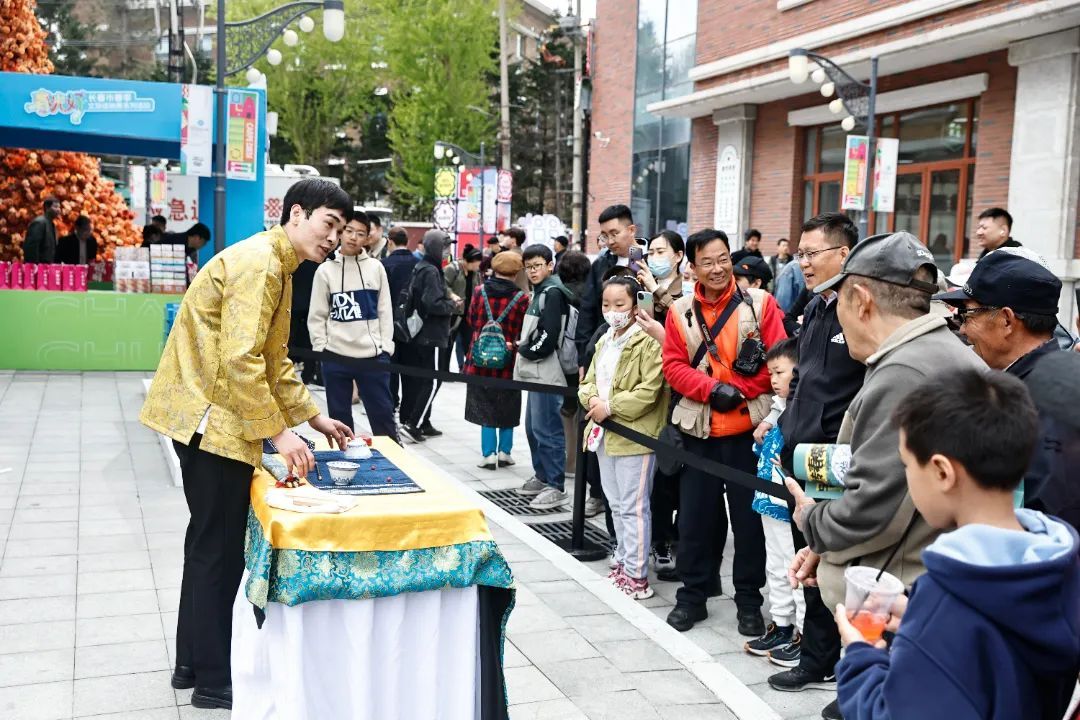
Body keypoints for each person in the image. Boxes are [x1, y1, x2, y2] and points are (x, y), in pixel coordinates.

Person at [139, 178, 353, 710]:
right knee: (218, 551)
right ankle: (214, 680)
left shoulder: (278, 264)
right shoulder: (262, 263)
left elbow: (274, 358)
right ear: (296, 212)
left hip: (208, 418)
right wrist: (278, 432)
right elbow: (241, 360)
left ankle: (192, 664)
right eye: (329, 224)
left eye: (342, 231)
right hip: (209, 422)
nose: (333, 238)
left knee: (206, 545)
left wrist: (312, 417)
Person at [784, 231, 986, 719]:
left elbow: (874, 509)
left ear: (862, 299)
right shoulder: (940, 351)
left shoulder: (906, 373)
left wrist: (812, 521)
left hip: (900, 603)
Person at [834, 370, 1080, 720]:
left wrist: (859, 657)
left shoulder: (950, 599)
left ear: (942, 472)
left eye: (907, 465)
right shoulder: (1057, 565)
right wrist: (918, 620)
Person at [661, 228, 787, 634]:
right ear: (691, 266)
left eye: (722, 260)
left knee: (749, 524)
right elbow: (673, 366)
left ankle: (749, 601)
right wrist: (713, 390)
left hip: (750, 434)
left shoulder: (761, 304)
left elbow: (780, 364)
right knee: (695, 521)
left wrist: (742, 392)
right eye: (707, 262)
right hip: (699, 431)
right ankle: (692, 597)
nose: (717, 269)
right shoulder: (679, 311)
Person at [765, 213, 864, 702]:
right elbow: (803, 376)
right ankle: (815, 660)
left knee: (837, 564)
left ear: (843, 255)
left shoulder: (859, 306)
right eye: (799, 253)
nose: (801, 262)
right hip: (800, 456)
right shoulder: (817, 306)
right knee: (809, 560)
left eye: (811, 253)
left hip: (838, 458)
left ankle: (851, 675)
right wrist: (786, 427)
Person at [934, 251, 1078, 529]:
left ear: (1007, 321)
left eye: (967, 314)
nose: (962, 330)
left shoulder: (1046, 399)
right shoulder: (1021, 383)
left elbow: (1049, 519)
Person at [579, 275, 668, 600]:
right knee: (616, 505)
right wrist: (592, 401)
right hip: (604, 433)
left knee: (633, 507)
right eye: (607, 304)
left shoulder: (648, 340)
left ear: (636, 305)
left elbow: (650, 390)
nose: (612, 311)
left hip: (635, 436)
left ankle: (636, 575)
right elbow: (588, 379)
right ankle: (624, 562)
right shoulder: (606, 338)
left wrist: (610, 407)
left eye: (620, 304)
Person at [308, 209, 398, 443]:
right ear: (340, 232)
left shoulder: (376, 268)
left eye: (360, 233)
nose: (353, 237)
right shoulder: (325, 270)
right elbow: (317, 314)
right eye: (349, 231)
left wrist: (385, 347)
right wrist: (321, 348)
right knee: (339, 420)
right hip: (335, 356)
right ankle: (345, 466)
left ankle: (393, 463)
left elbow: (385, 310)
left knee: (383, 416)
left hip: (373, 356)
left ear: (368, 238)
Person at [745, 338, 805, 663]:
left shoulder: (804, 410)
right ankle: (780, 623)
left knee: (795, 567)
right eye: (771, 373)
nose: (773, 379)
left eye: (780, 372)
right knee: (776, 565)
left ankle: (802, 631)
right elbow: (776, 408)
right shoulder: (779, 408)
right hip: (768, 499)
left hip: (789, 506)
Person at [636, 229, 686, 574]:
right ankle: (654, 539)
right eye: (651, 250)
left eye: (662, 251)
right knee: (649, 474)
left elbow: (690, 336)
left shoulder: (690, 294)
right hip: (645, 390)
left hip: (678, 392)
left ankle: (672, 540)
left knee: (672, 474)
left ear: (679, 256)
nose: (655, 256)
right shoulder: (639, 291)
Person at [515, 244, 576, 510]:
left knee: (547, 429)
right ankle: (542, 476)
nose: (533, 271)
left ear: (550, 265)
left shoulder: (553, 293)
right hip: (536, 370)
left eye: (538, 265)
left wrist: (525, 349)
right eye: (529, 267)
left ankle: (556, 485)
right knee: (533, 428)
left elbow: (549, 336)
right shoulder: (541, 291)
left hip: (547, 371)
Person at [466, 251, 530, 469]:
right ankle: (505, 452)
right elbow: (523, 328)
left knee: (485, 405)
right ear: (516, 272)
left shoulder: (479, 291)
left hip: (480, 359)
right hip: (508, 361)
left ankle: (488, 454)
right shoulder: (521, 298)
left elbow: (472, 320)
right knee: (508, 404)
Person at [397, 230, 458, 442]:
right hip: (430, 334)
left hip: (420, 334)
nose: (447, 251)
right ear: (434, 247)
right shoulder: (431, 270)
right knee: (431, 381)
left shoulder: (423, 266)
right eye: (445, 247)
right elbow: (432, 303)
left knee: (423, 380)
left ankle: (417, 422)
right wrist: (452, 304)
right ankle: (413, 424)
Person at [577, 205, 636, 364]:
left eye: (614, 234)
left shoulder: (646, 261)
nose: (610, 241)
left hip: (638, 352)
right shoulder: (601, 265)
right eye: (604, 235)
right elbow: (587, 311)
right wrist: (584, 356)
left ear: (631, 230)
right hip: (603, 351)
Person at [382, 226, 418, 413]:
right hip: (412, 325)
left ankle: (391, 403)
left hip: (389, 323)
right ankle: (408, 411)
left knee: (391, 367)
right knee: (410, 369)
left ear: (390, 241)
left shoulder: (384, 264)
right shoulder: (417, 263)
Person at [446, 244, 483, 369]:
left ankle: (469, 370)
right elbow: (442, 284)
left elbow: (478, 288)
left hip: (469, 314)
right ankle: (444, 372)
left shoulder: (476, 273)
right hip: (454, 313)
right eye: (477, 263)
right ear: (468, 261)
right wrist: (452, 295)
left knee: (470, 343)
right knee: (448, 344)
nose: (478, 266)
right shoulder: (453, 268)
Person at [23, 196, 59, 263]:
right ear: (47, 208)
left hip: (46, 267)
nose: (58, 210)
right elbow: (31, 247)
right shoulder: (39, 222)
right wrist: (35, 267)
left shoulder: (51, 224)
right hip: (38, 268)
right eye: (55, 207)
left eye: (59, 207)